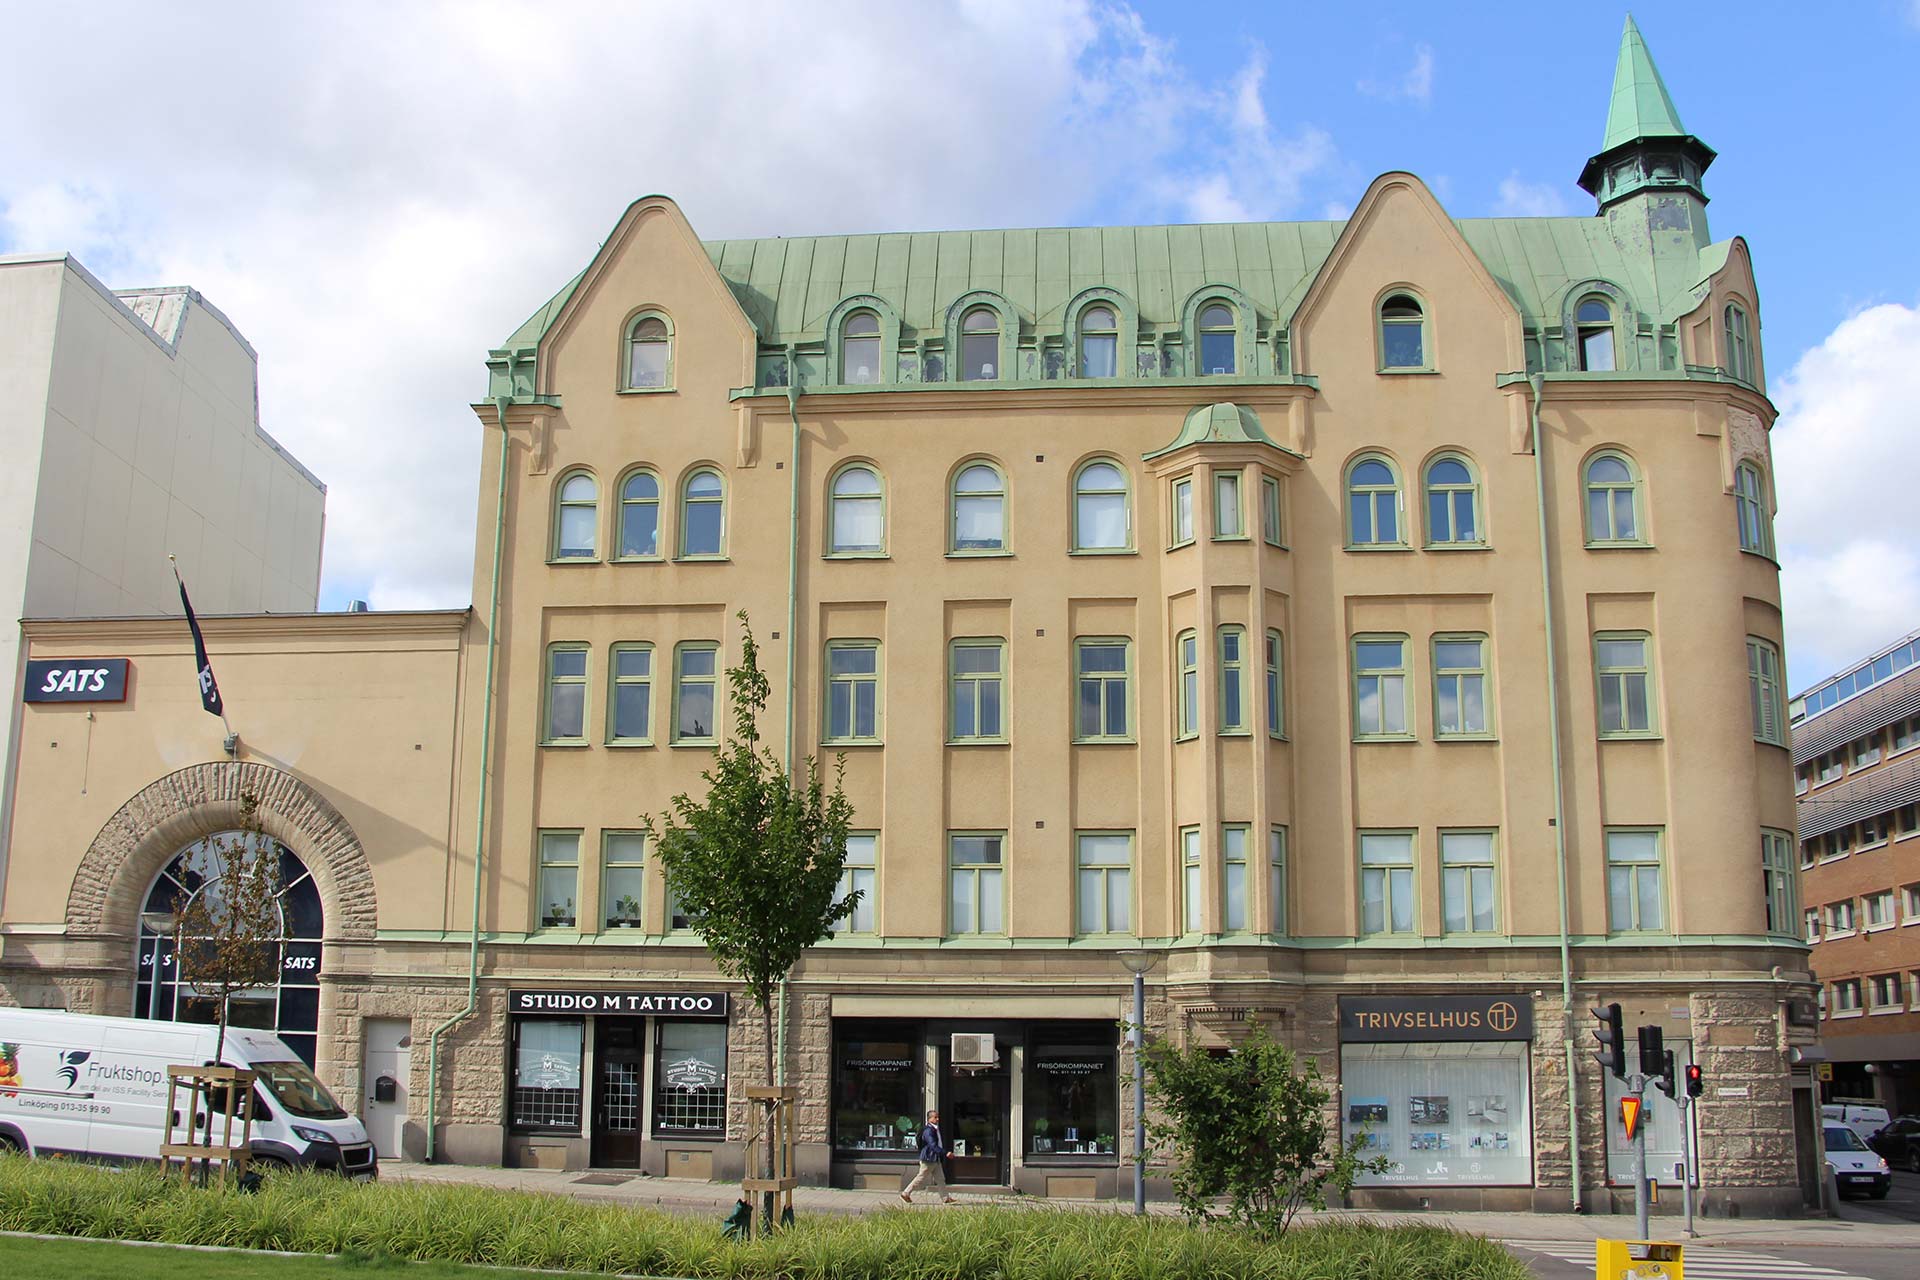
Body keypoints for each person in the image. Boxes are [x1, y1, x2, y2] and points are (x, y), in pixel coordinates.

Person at [900, 1108, 955, 1203]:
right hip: (929, 1158)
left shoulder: (934, 1129)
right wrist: (945, 1153)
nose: (937, 1119)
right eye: (935, 1117)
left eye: (938, 1117)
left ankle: (945, 1198)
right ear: (929, 1119)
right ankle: (906, 1193)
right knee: (921, 1177)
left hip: (935, 1158)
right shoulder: (929, 1131)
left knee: (940, 1179)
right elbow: (932, 1145)